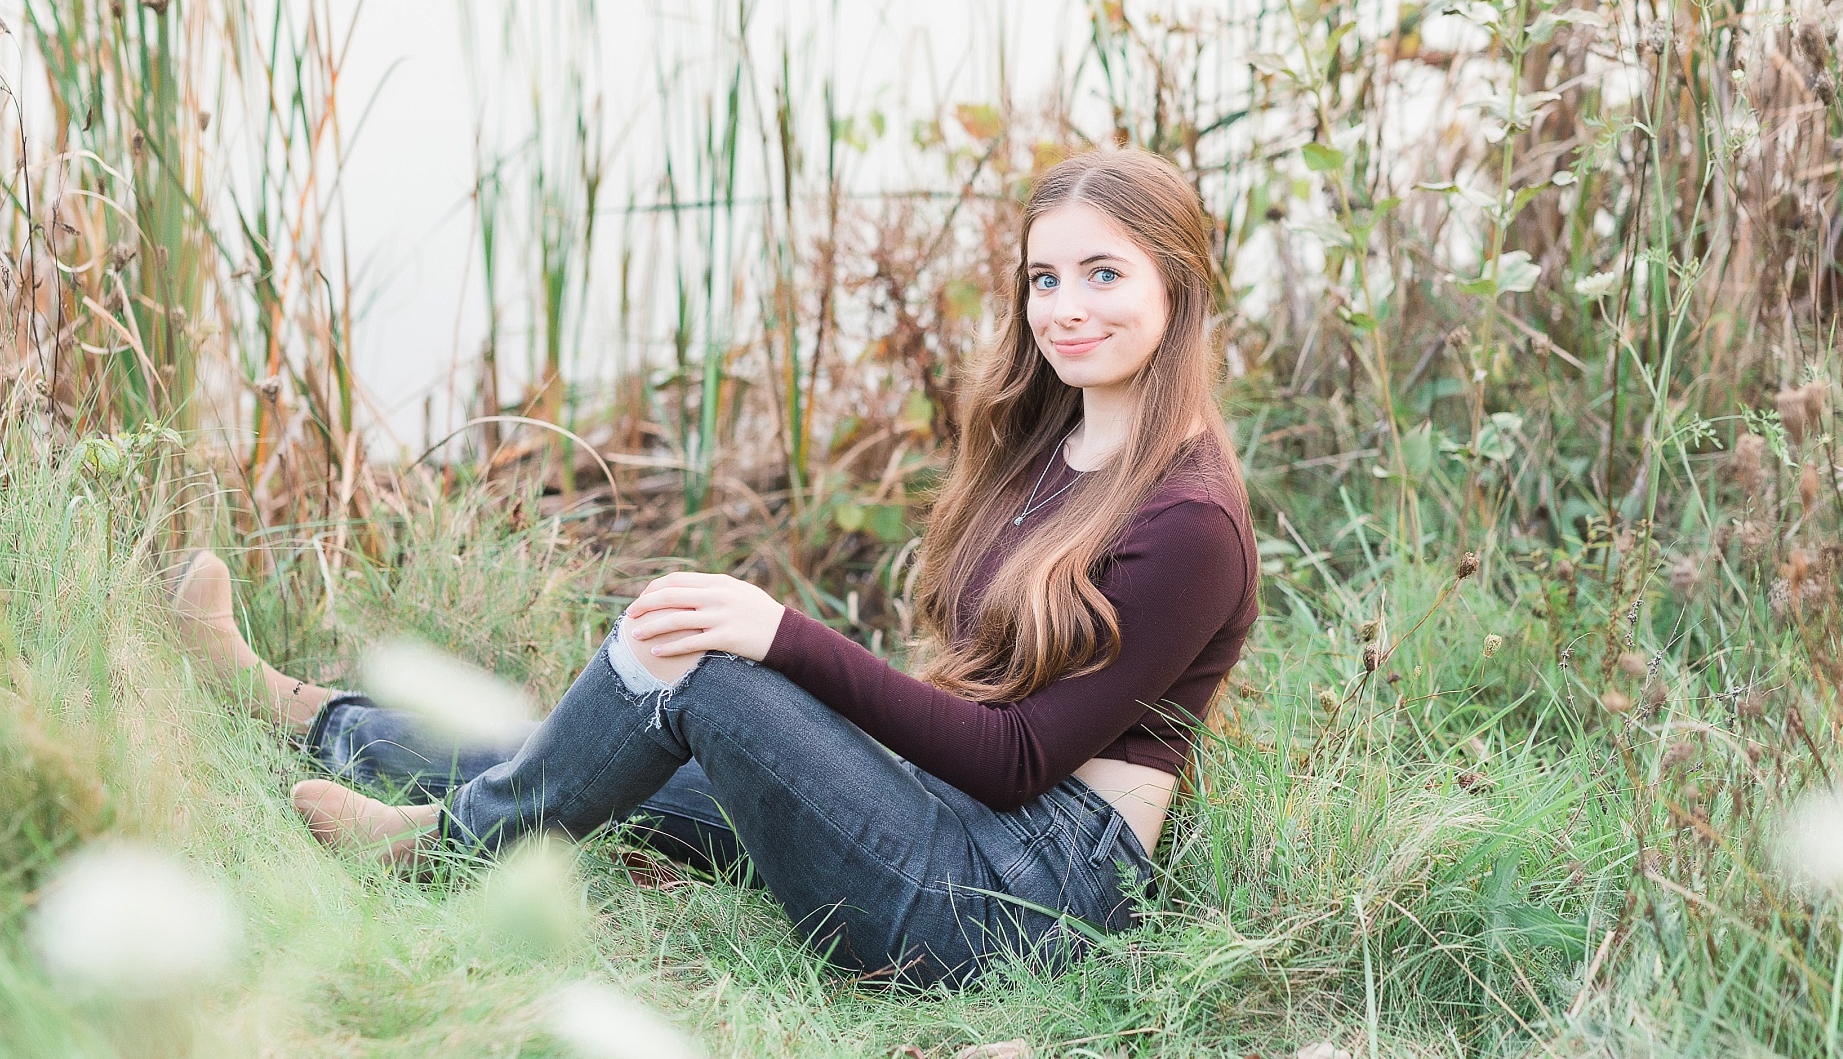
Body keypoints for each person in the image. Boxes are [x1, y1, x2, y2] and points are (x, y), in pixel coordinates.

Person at [174, 147, 1258, 989]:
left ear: (1176, 286)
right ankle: (308, 712)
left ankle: (447, 847)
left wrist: (781, 637)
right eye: (1044, 277)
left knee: (700, 668)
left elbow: (1015, 758)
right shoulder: (1051, 451)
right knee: (601, 754)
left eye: (1103, 274)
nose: (1065, 307)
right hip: (955, 823)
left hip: (1016, 906)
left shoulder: (1188, 520)